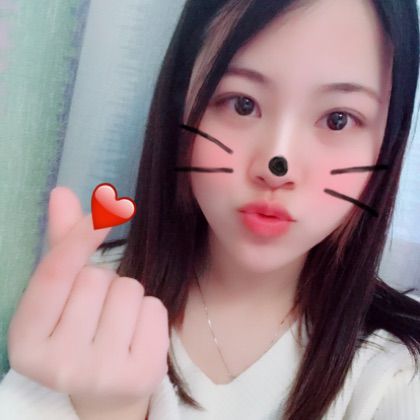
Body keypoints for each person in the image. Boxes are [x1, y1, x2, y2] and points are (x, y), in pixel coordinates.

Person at [1, 0, 420, 418]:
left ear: (390, 141)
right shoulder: (88, 302)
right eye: (242, 104)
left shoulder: (398, 370)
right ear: (181, 107)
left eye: (338, 119)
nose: (278, 167)